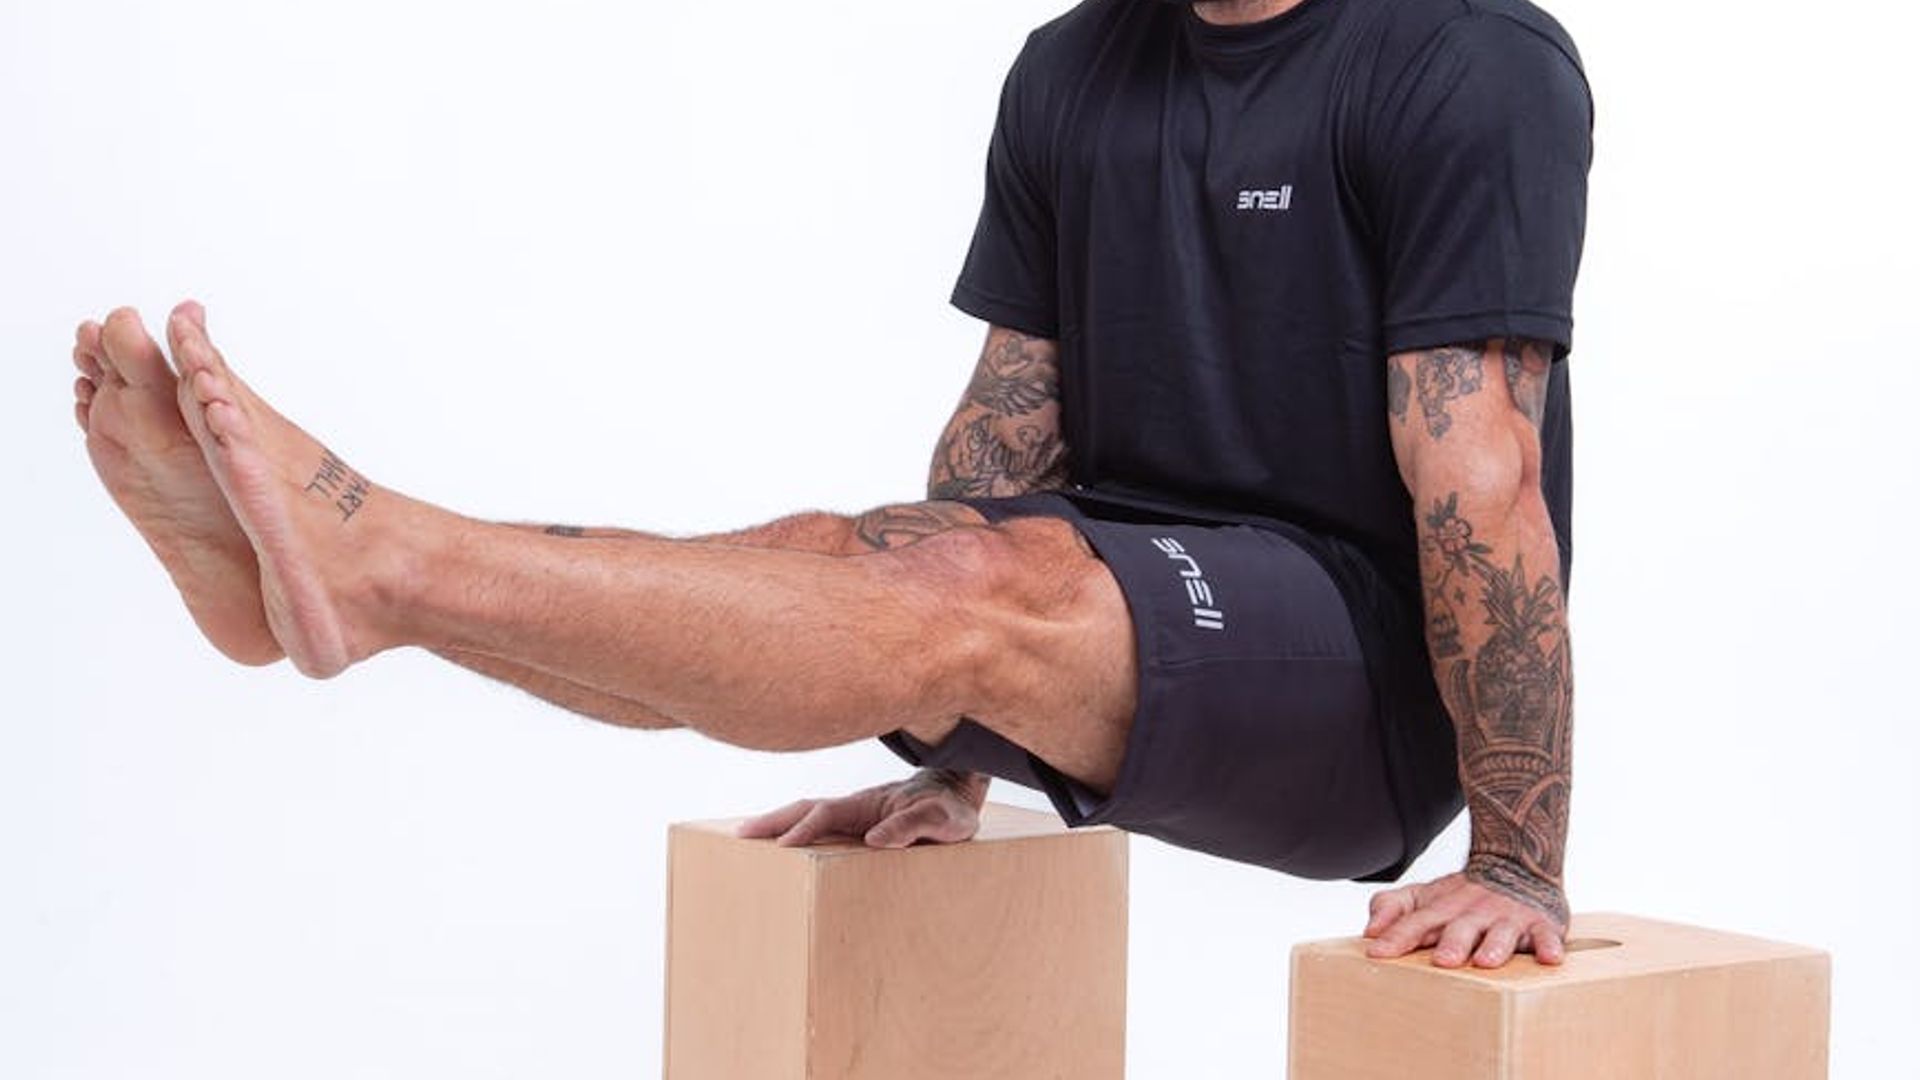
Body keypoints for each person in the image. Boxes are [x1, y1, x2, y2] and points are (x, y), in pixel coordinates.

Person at [71, 0, 1591, 971]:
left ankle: (382, 553)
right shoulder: (1073, 68)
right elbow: (1001, 447)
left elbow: (1483, 483)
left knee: (992, 585)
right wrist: (951, 737)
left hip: (1364, 686)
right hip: (1121, 593)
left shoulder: (1467, 61)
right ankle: (347, 595)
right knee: (850, 551)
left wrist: (1517, 861)